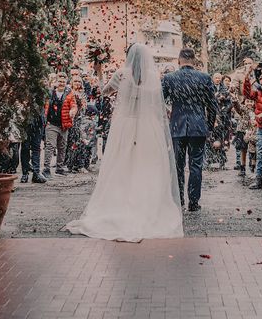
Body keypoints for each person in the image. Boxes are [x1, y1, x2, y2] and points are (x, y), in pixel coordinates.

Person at [64, 44, 184, 242]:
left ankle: (120, 203)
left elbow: (104, 92)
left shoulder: (121, 74)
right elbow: (157, 106)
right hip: (148, 126)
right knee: (148, 166)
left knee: (122, 164)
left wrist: (101, 73)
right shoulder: (153, 77)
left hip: (126, 125)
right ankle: (147, 206)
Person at [162, 48, 218, 211]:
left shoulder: (169, 78)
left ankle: (179, 199)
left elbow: (161, 101)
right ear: (194, 61)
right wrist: (209, 126)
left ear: (179, 61)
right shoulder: (204, 78)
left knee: (177, 166)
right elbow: (212, 105)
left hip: (177, 126)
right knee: (196, 166)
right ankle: (194, 202)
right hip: (198, 126)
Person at [43, 73, 77, 178]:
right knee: (50, 146)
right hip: (52, 124)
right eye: (59, 81)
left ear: (66, 82)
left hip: (64, 125)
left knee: (62, 147)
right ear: (56, 82)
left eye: (63, 81)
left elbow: (74, 105)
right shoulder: (50, 93)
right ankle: (46, 169)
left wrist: (73, 111)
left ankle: (59, 168)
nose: (61, 83)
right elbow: (44, 105)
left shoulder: (69, 94)